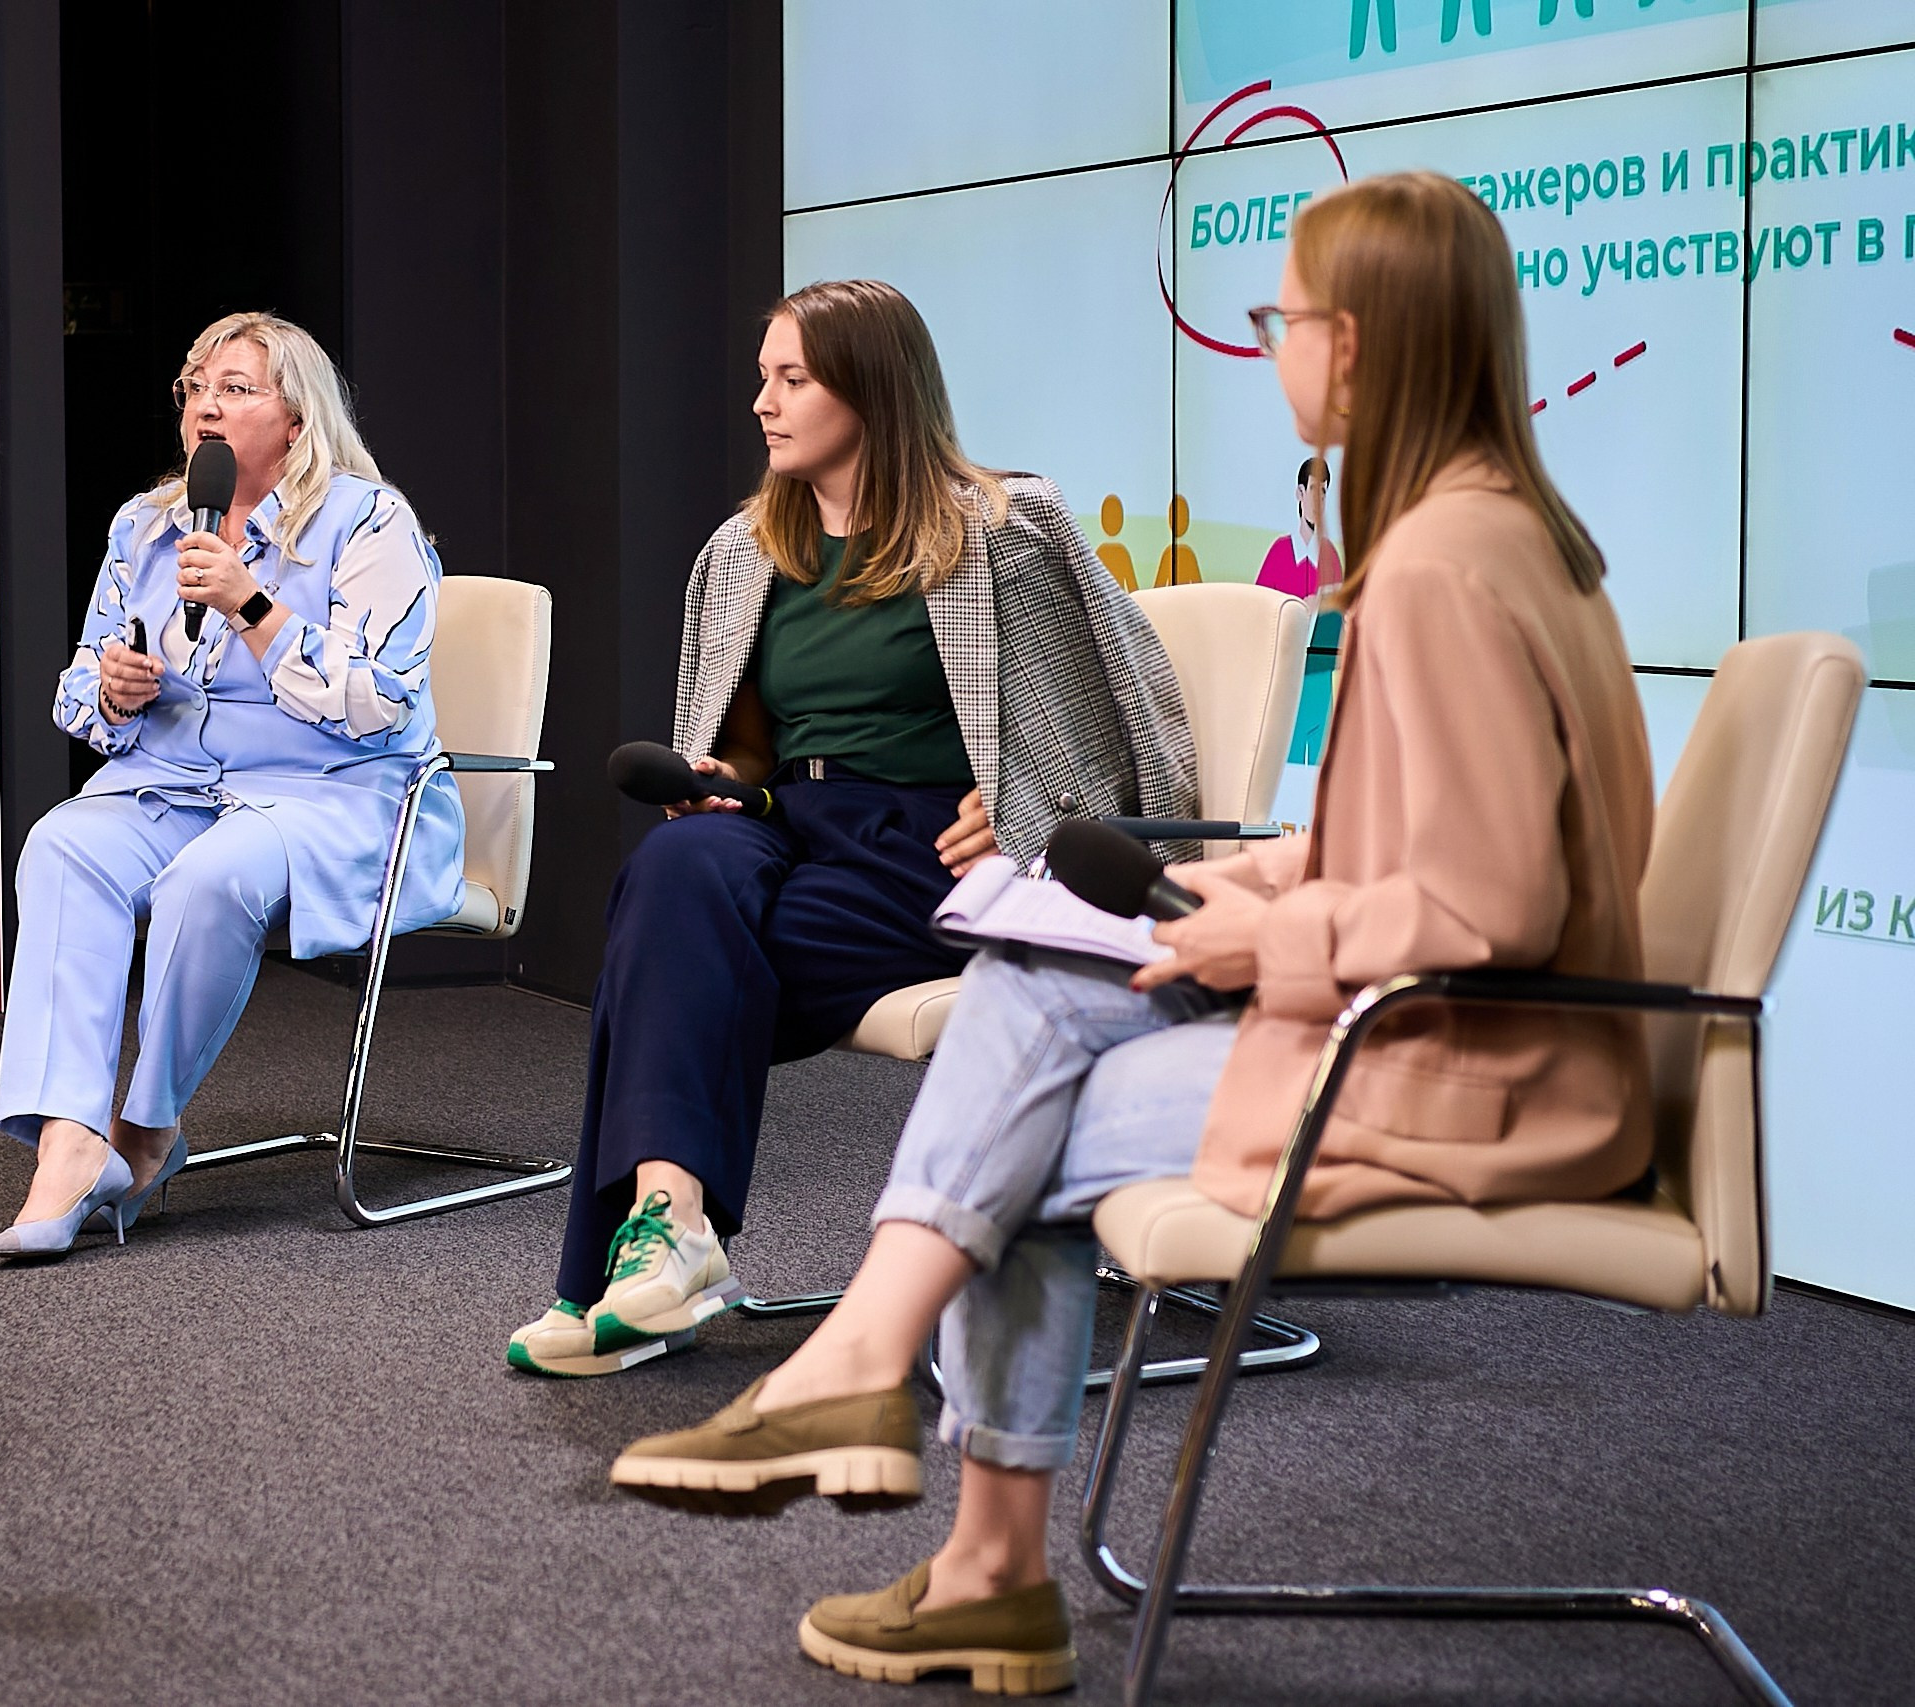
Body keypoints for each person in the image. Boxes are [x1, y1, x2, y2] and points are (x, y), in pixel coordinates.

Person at [607, 171, 1656, 1694]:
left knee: (1011, 1099)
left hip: (1475, 1073)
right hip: (1454, 1038)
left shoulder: (1442, 565)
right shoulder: (1487, 536)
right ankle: (948, 1510)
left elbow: (1492, 910)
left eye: (1282, 317)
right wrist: (1258, 885)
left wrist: (1260, 945)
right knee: (1034, 990)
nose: (1272, 340)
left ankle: (902, 1432)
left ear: (1357, 346)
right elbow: (1430, 851)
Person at [506, 278, 1201, 1374]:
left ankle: (636, 1264)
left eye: (792, 379)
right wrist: (716, 777)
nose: (762, 404)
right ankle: (673, 1237)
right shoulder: (743, 551)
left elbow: (1113, 716)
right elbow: (745, 745)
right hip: (785, 816)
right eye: (762, 378)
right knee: (678, 860)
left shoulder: (1006, 533)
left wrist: (1020, 814)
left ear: (871, 393)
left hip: (922, 838)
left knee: (676, 949)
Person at [0, 312, 463, 1258]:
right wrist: (113, 690)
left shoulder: (372, 522)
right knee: (63, 843)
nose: (206, 402)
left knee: (213, 873)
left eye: (236, 387)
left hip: (338, 793)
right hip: (174, 780)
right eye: (195, 385)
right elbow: (78, 685)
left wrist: (251, 604)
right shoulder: (148, 524)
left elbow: (377, 703)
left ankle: (147, 1131)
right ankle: (70, 1143)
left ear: (297, 419)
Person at [1255, 455, 1343, 598]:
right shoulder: (1279, 551)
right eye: (1313, 489)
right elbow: (1259, 605)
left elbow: (1340, 611)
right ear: (1300, 493)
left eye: (1323, 491)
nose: (1319, 499)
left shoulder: (1330, 555)